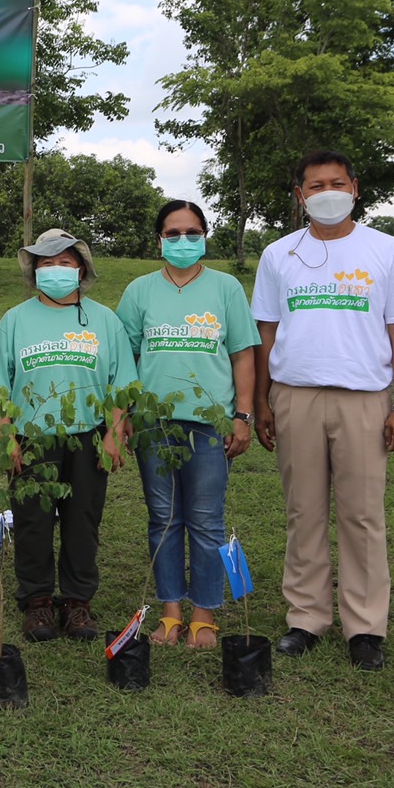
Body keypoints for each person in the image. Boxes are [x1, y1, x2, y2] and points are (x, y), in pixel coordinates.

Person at [251, 150, 394, 671]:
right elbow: (267, 332)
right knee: (303, 511)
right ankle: (306, 618)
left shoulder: (387, 250)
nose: (326, 192)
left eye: (336, 182)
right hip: (295, 396)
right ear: (300, 196)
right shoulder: (279, 254)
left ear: (355, 188)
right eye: (315, 185)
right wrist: (261, 401)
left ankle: (365, 627)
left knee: (362, 514)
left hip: (363, 399)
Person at [116, 201, 257, 649]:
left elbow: (242, 354)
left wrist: (243, 416)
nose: (183, 240)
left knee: (207, 520)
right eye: (172, 233)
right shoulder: (139, 291)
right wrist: (125, 416)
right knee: (164, 518)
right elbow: (125, 357)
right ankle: (171, 612)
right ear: (159, 240)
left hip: (211, 425)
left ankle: (204, 616)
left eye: (192, 232)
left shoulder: (226, 288)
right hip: (153, 424)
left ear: (205, 236)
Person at [0, 228, 134, 642]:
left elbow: (122, 382)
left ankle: (76, 602)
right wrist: (6, 437)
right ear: (34, 270)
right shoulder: (15, 320)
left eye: (65, 262)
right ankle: (36, 602)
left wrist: (113, 434)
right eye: (46, 263)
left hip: (88, 437)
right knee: (32, 522)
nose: (56, 269)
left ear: (81, 269)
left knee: (82, 521)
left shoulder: (105, 320)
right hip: (32, 438)